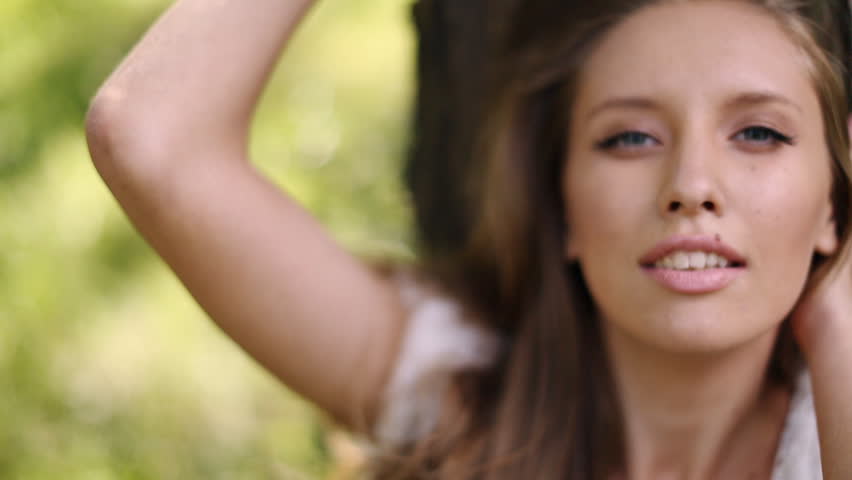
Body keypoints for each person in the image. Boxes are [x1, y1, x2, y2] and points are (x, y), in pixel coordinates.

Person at [84, 0, 852, 478]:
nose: (692, 183)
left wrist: (840, 322)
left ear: (832, 200)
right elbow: (148, 136)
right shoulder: (461, 390)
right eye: (629, 139)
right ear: (563, 204)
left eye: (757, 132)